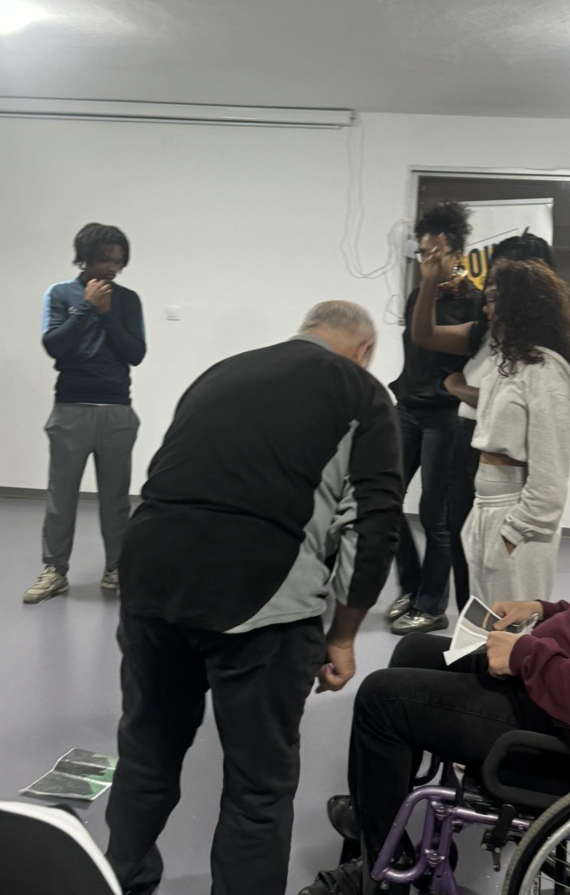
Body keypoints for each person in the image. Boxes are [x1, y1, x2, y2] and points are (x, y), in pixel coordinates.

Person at [300, 464, 570, 895]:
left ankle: (381, 871)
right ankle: (377, 822)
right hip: (552, 693)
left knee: (382, 698)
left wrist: (526, 655)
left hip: (564, 738)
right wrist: (541, 610)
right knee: (415, 649)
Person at [104, 301, 402, 895]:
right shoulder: (363, 393)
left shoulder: (222, 372)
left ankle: (118, 881)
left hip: (150, 580)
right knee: (258, 788)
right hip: (262, 597)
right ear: (364, 350)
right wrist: (342, 636)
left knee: (145, 757)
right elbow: (374, 526)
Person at [411, 232, 557, 610]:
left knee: (501, 572)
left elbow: (515, 405)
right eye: (492, 280)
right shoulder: (488, 330)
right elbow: (423, 334)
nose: (492, 291)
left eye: (501, 282)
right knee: (466, 550)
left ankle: (490, 636)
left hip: (501, 458)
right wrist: (429, 282)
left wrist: (459, 388)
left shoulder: (543, 351)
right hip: (466, 441)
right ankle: (470, 630)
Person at [458, 258, 570, 604]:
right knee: (485, 627)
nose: (486, 310)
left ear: (519, 305)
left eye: (493, 299)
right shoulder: (509, 363)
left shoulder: (545, 371)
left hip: (515, 518)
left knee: (513, 630)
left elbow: (551, 475)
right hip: (486, 508)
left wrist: (515, 531)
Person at [24, 223, 145, 604]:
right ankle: (55, 571)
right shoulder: (61, 294)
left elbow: (136, 353)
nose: (112, 268)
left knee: (115, 499)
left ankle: (116, 568)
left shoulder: (128, 300)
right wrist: (85, 308)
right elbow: (54, 345)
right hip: (70, 408)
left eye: (118, 261)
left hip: (117, 411)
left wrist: (107, 315)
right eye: (105, 259)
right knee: (61, 497)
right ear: (85, 257)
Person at [387, 203, 483, 635]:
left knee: (434, 515)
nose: (425, 261)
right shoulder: (418, 295)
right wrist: (427, 285)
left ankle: (431, 604)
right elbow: (416, 341)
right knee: (385, 503)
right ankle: (412, 587)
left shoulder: (475, 304)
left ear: (454, 253)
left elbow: (448, 350)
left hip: (443, 416)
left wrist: (430, 284)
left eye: (433, 253)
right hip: (407, 409)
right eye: (421, 253)